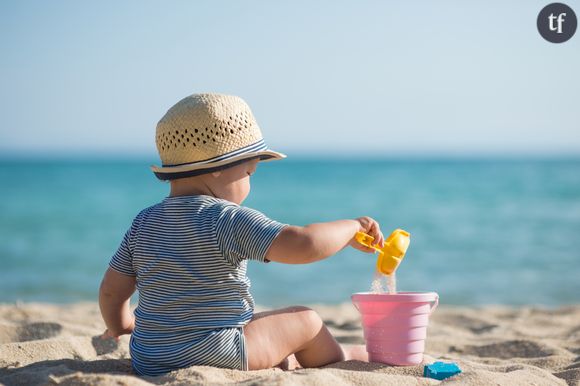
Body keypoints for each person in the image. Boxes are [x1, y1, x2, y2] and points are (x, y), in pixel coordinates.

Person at [98, 93, 384, 376]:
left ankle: (280, 358)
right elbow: (304, 243)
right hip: (221, 352)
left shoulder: (143, 222)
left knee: (262, 326)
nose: (249, 183)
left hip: (149, 357)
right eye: (249, 172)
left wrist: (122, 324)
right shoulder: (225, 218)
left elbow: (112, 291)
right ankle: (340, 356)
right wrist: (352, 228)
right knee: (306, 320)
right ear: (218, 170)